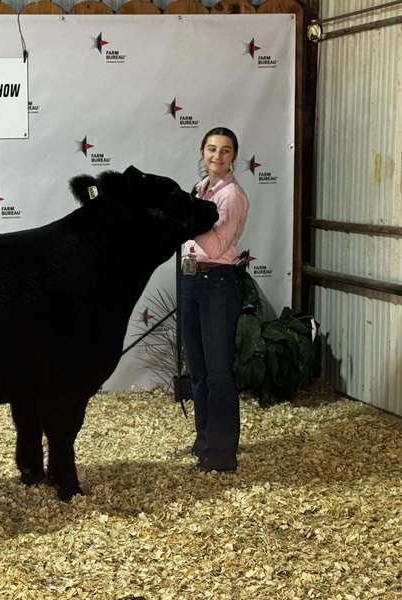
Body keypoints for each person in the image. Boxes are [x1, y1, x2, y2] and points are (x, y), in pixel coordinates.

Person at [179, 127, 249, 473]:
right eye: (211, 149)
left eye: (225, 151)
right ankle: (204, 441)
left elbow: (217, 246)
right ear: (202, 152)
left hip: (218, 282)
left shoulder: (231, 196)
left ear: (233, 156)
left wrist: (185, 221)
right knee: (200, 370)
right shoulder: (200, 190)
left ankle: (222, 454)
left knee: (219, 371)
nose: (217, 156)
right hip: (192, 279)